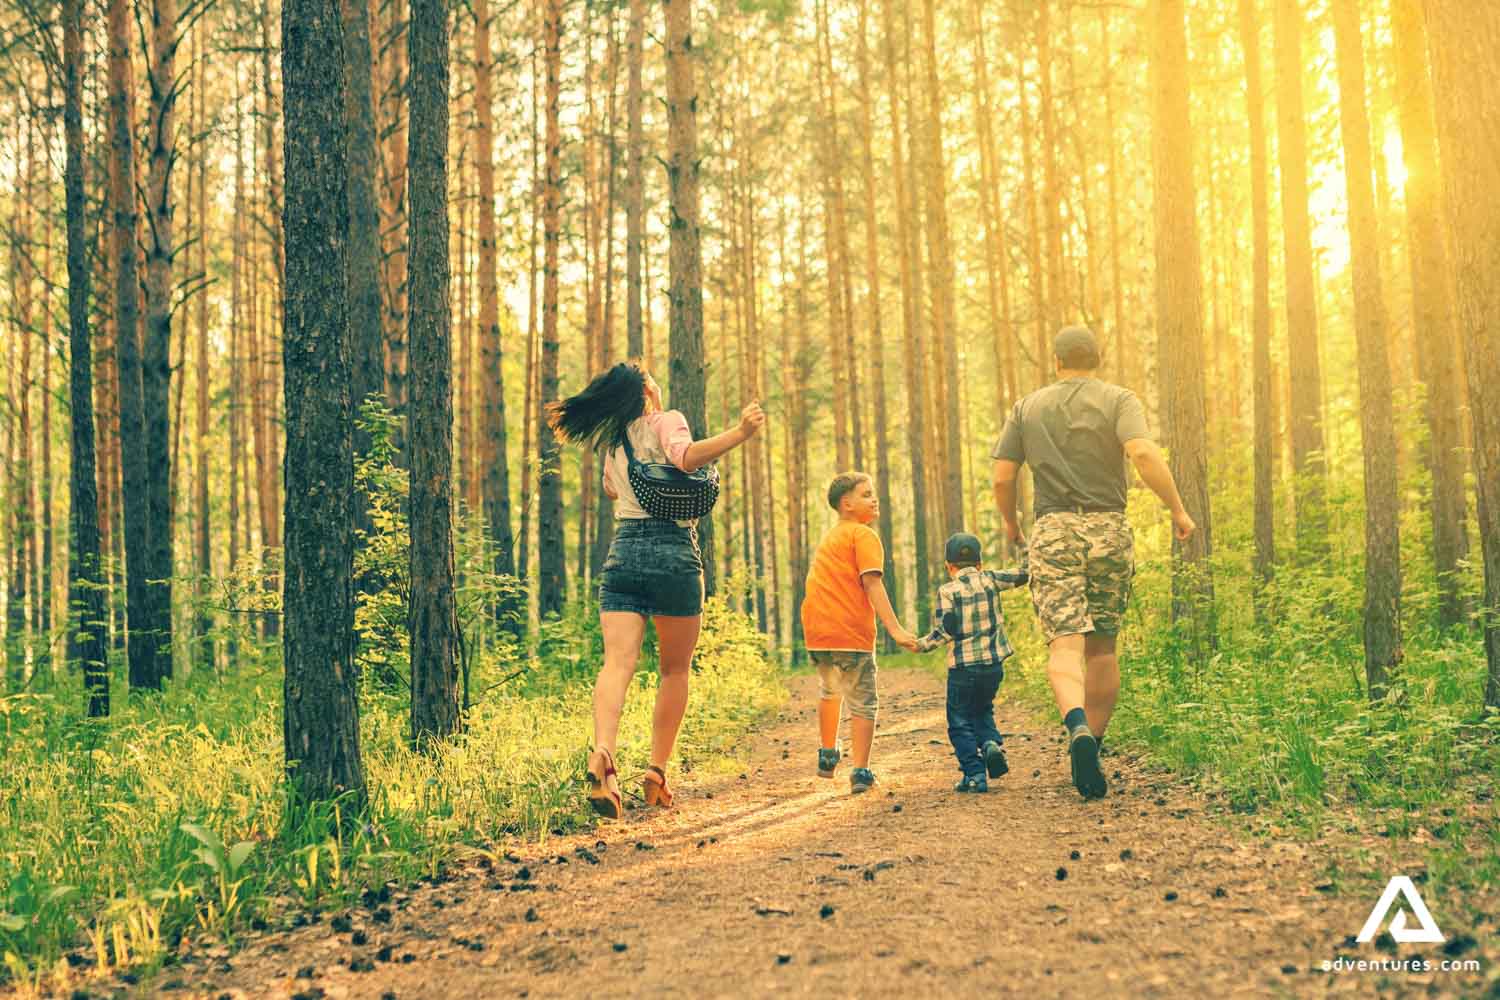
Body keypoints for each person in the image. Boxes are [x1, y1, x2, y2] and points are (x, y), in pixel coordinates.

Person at [548, 362, 766, 819]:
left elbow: (613, 490)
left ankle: (604, 756)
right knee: (674, 671)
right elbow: (685, 458)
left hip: (624, 552)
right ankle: (655, 772)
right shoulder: (669, 420)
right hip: (673, 554)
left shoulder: (614, 442)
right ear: (648, 388)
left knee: (617, 663)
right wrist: (740, 433)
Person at [991, 326, 1195, 800]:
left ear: (1057, 361)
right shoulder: (1119, 399)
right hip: (1108, 527)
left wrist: (1011, 524)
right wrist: (1177, 509)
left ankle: (1076, 725)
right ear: (1097, 359)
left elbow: (1003, 477)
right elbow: (1142, 452)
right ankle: (1093, 745)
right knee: (1102, 649)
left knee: (1064, 646)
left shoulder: (1028, 407)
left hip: (1054, 530)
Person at [800, 472, 917, 794]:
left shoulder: (831, 537)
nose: (874, 499)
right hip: (850, 632)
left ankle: (827, 753)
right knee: (863, 701)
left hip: (818, 632)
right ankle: (861, 771)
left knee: (831, 690)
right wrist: (895, 629)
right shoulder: (863, 536)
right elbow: (872, 583)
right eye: (866, 495)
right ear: (847, 504)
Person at [913, 532, 1029, 793]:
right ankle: (989, 743)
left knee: (959, 722)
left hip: (963, 670)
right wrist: (1021, 542)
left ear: (948, 566)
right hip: (993, 666)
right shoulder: (991, 579)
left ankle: (975, 774)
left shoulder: (947, 591)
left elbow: (945, 631)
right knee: (982, 709)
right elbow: (1026, 572)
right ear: (980, 564)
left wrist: (920, 645)